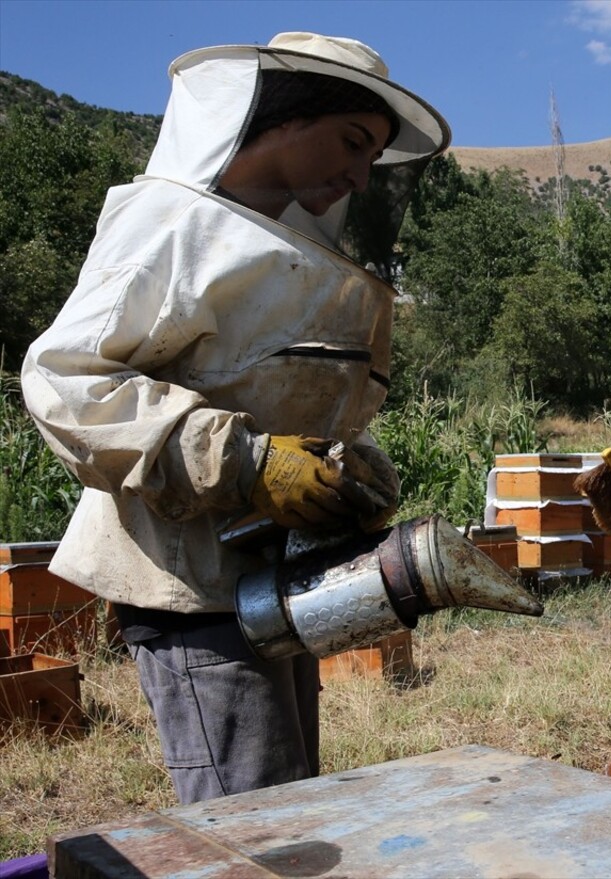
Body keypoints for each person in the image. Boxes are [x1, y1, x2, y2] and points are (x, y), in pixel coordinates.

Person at [21, 32, 450, 802]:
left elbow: (281, 397)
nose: (359, 173)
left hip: (274, 580)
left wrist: (352, 467)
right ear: (282, 117)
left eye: (374, 157)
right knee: (248, 822)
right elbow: (67, 379)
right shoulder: (171, 222)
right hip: (184, 582)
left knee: (287, 805)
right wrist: (246, 461)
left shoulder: (279, 241)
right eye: (352, 141)